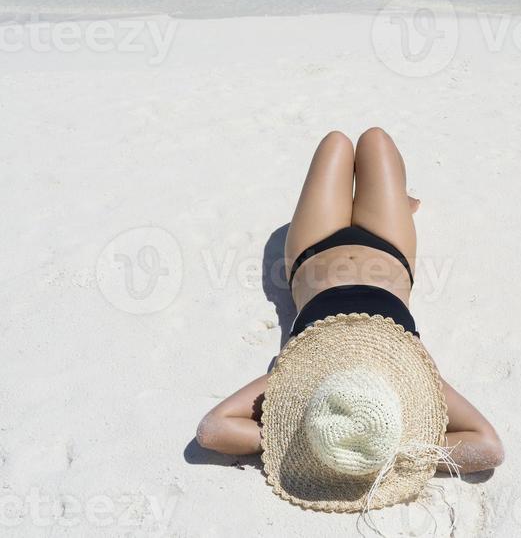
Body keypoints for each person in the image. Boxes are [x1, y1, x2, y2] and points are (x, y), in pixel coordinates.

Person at [196, 128, 504, 513]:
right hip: (388, 244)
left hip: (313, 245)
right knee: (375, 141)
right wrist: (391, 446)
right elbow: (487, 447)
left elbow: (213, 430)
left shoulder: (300, 381)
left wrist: (300, 440)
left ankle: (361, 200)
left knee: (336, 144)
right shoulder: (413, 378)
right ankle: (387, 201)